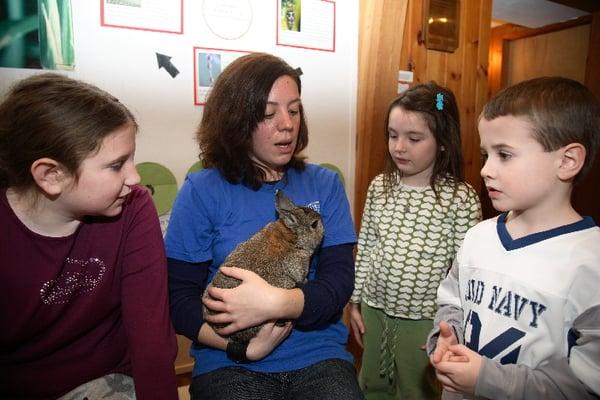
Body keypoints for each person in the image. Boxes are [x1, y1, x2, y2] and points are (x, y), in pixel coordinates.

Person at [165, 52, 364, 400]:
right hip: (228, 361)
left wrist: (276, 303)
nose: (286, 124)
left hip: (318, 356)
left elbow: (338, 284)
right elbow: (178, 298)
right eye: (268, 114)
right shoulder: (202, 191)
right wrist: (242, 349)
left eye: (294, 109)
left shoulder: (325, 184)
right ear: (237, 121)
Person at [0, 73, 178, 399]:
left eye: (132, 159)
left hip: (108, 380)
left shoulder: (133, 207)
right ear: (51, 175)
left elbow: (152, 339)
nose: (135, 177)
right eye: (116, 165)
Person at [427, 76, 600, 399]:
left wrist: (487, 379)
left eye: (504, 155)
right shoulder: (478, 237)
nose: (485, 169)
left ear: (567, 161)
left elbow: (584, 385)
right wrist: (447, 338)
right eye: (485, 154)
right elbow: (451, 302)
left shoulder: (591, 265)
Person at [348, 82, 482, 399]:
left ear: (443, 142)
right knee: (372, 384)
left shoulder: (460, 199)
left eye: (414, 138)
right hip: (374, 310)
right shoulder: (380, 186)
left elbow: (466, 272)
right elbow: (366, 247)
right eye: (393, 136)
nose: (399, 147)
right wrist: (355, 301)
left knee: (416, 389)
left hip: (425, 320)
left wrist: (451, 327)